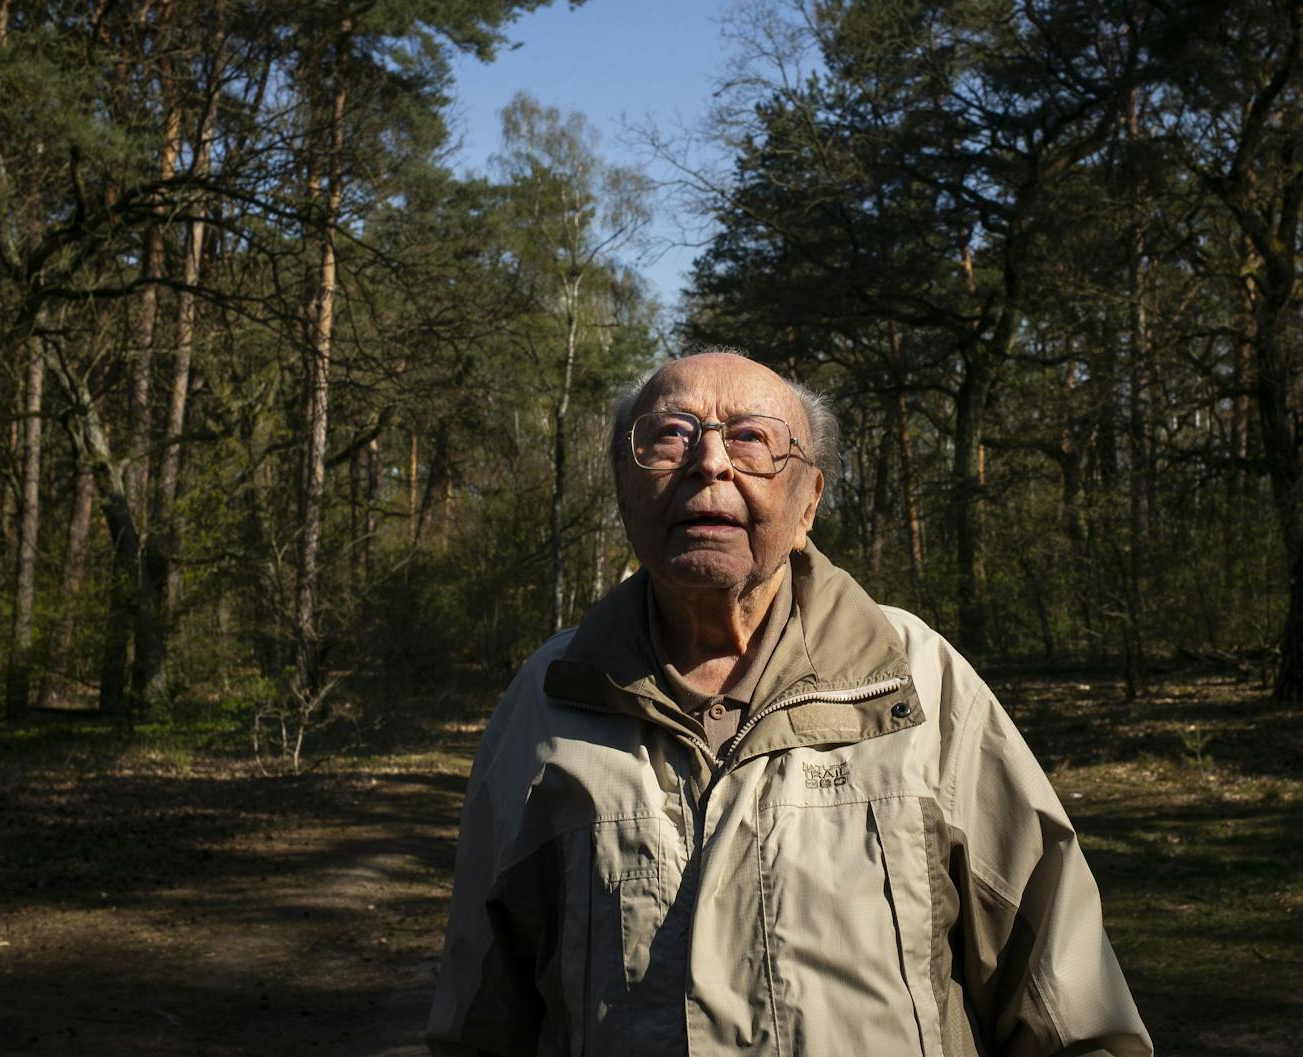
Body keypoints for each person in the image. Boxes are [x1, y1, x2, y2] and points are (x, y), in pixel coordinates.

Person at [428, 349, 1151, 1057]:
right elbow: (481, 1021)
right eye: (671, 434)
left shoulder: (918, 679)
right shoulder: (551, 695)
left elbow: (1065, 1003)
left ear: (809, 501)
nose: (709, 462)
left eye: (751, 438)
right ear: (624, 489)